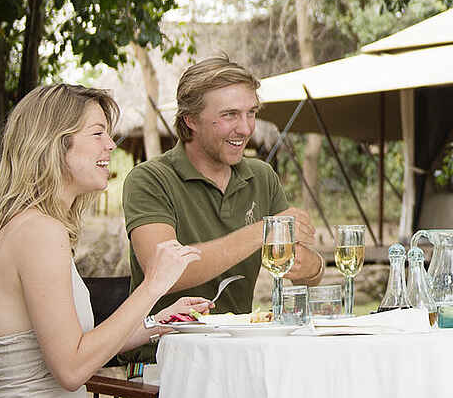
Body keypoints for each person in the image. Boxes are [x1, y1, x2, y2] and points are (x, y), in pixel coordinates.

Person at [0, 84, 211, 398]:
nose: (110, 145)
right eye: (97, 133)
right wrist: (154, 284)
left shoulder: (30, 225)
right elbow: (72, 366)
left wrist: (156, 323)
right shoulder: (38, 232)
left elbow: (71, 343)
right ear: (55, 144)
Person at [122, 57, 324, 316]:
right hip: (164, 350)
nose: (246, 128)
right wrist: (263, 231)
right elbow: (162, 274)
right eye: (230, 115)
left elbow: (302, 276)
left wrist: (312, 268)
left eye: (251, 113)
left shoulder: (262, 177)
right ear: (190, 120)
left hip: (239, 349)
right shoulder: (149, 179)